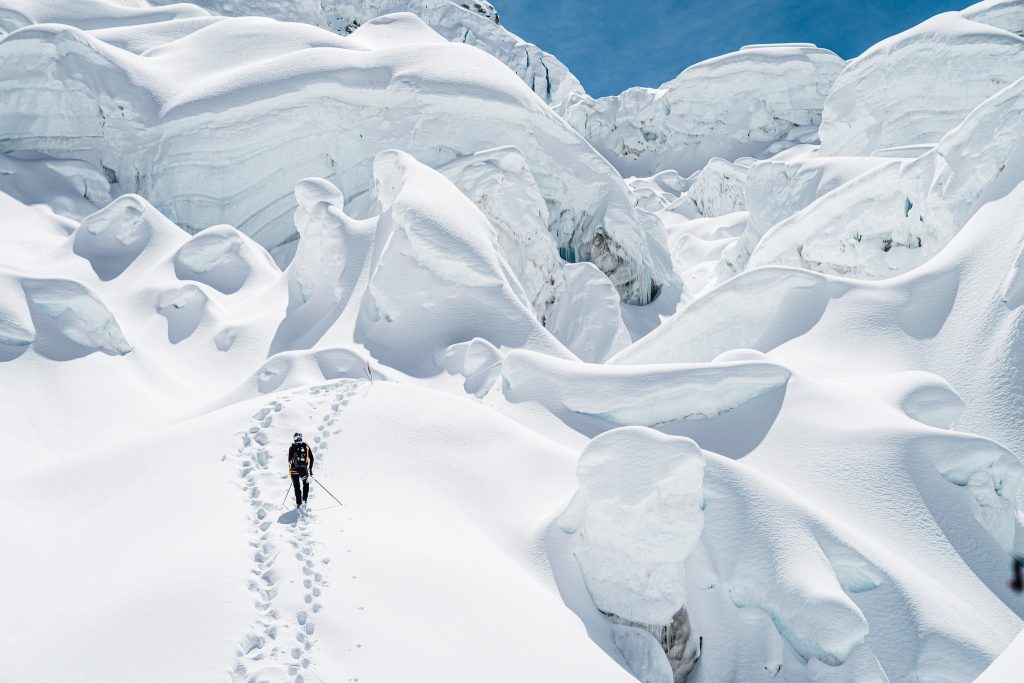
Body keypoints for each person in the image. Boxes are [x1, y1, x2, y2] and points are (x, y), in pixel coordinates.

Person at [288, 432, 314, 508]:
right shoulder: (306, 447)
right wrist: (310, 469)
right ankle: (304, 500)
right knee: (306, 484)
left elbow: (289, 460)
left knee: (297, 487)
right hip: (303, 470)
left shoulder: (292, 448)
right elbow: (311, 458)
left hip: (294, 470)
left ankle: (298, 503)